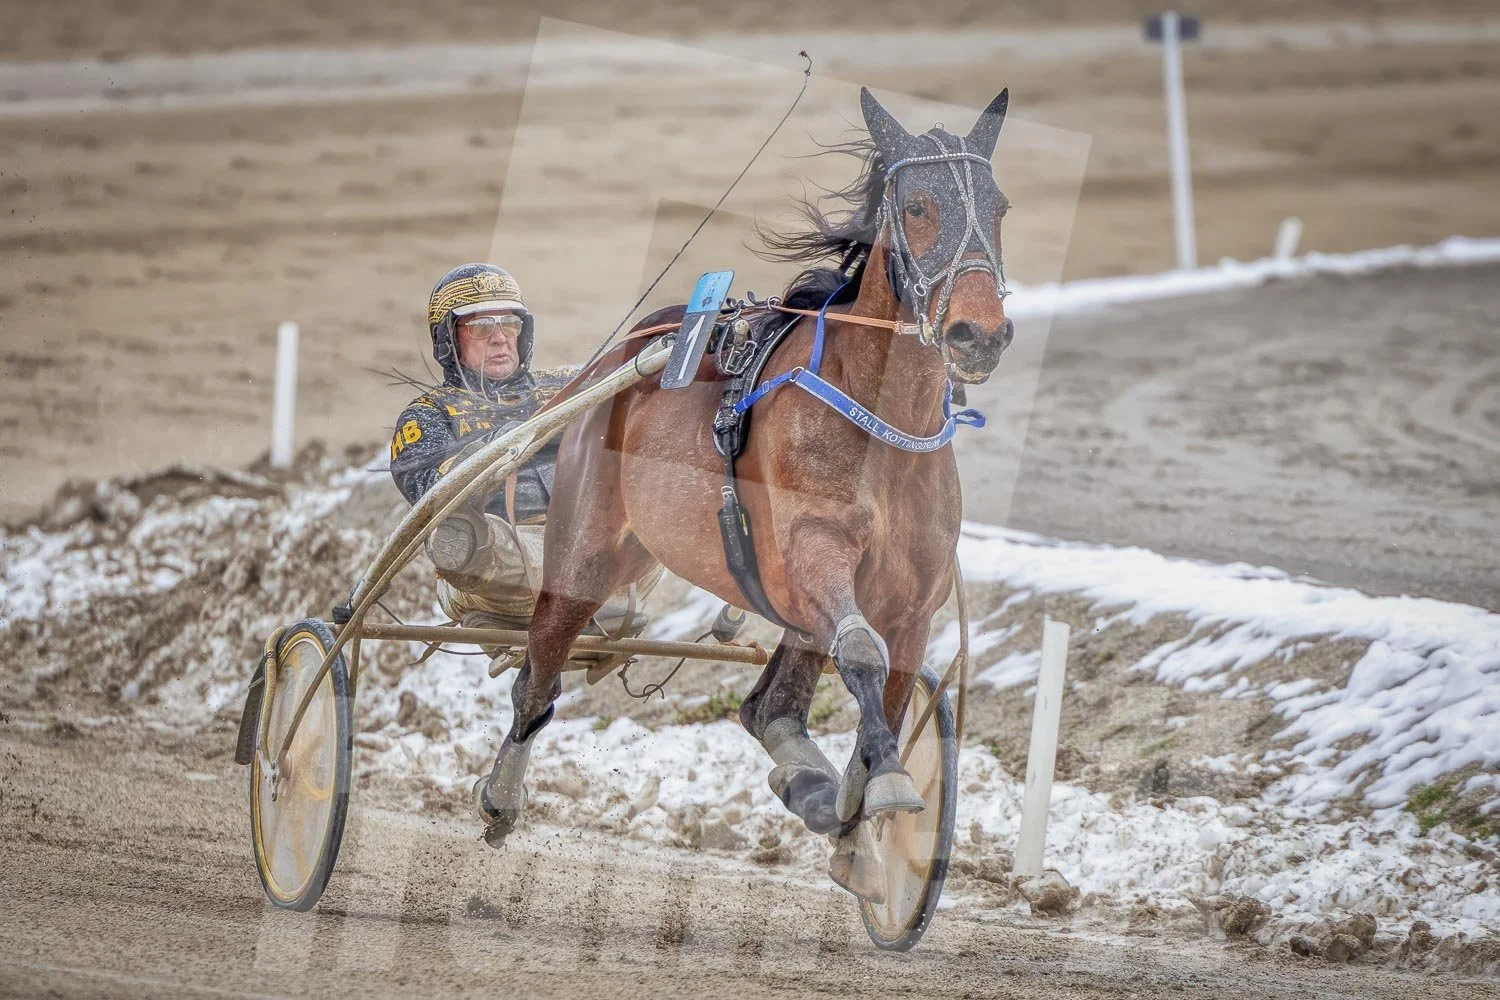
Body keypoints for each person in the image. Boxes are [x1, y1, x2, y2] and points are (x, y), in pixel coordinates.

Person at [390, 263, 655, 661]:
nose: (500, 338)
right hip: (500, 560)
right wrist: (507, 439)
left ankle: (586, 598)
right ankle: (567, 601)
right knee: (454, 534)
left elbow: (636, 392)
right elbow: (431, 495)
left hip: (591, 542)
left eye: (510, 325)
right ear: (448, 339)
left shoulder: (567, 383)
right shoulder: (427, 415)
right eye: (482, 327)